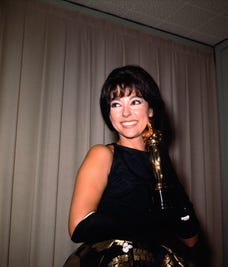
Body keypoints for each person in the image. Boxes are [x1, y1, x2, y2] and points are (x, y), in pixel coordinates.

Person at [64, 65, 202, 267]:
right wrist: (153, 221)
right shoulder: (102, 154)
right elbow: (78, 227)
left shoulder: (162, 162)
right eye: (116, 104)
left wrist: (175, 199)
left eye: (135, 101)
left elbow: (190, 238)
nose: (125, 113)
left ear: (151, 109)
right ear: (109, 114)